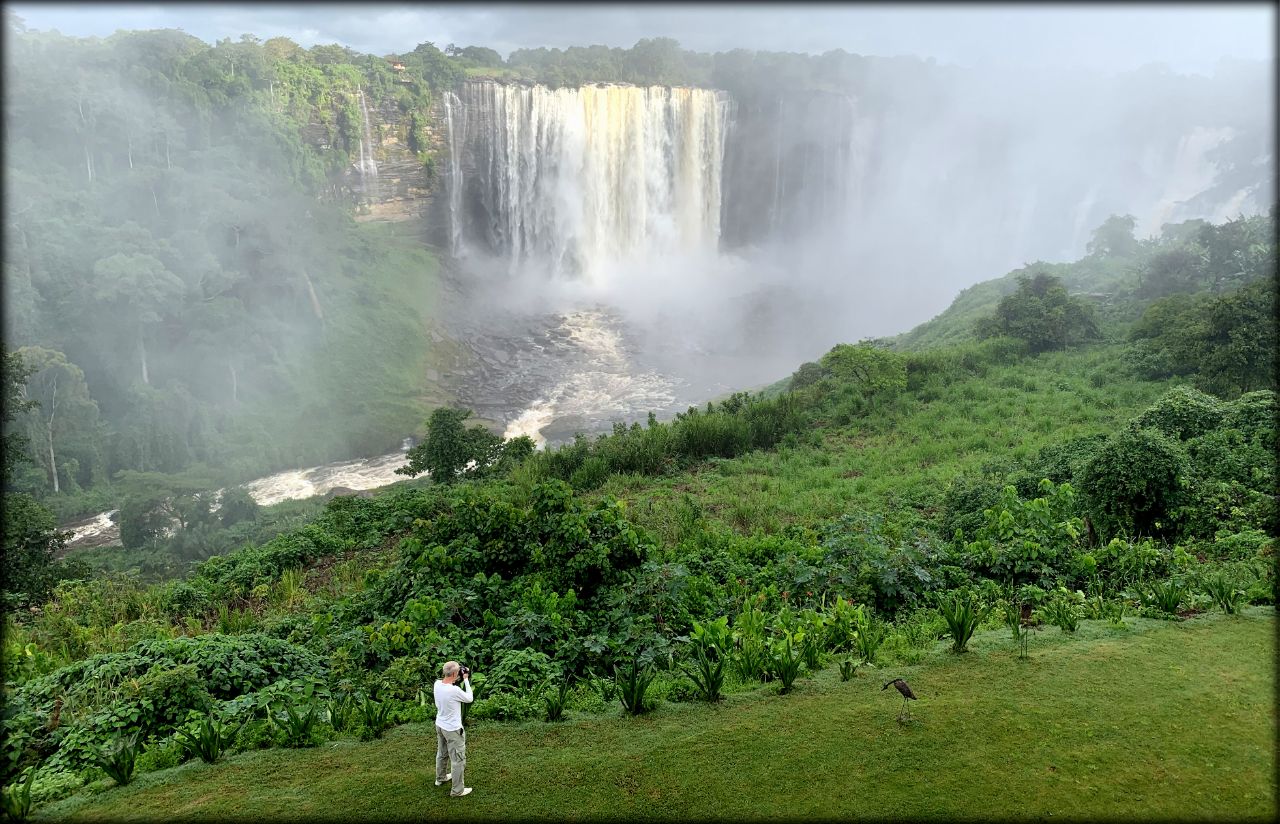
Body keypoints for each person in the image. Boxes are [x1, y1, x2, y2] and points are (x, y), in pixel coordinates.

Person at [433, 660, 474, 797]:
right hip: (453, 730)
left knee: (442, 753)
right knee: (458, 760)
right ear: (455, 673)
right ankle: (457, 790)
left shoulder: (437, 684)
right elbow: (469, 698)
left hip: (440, 725)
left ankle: (441, 778)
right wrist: (466, 680)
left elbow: (449, 683)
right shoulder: (454, 690)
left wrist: (458, 677)